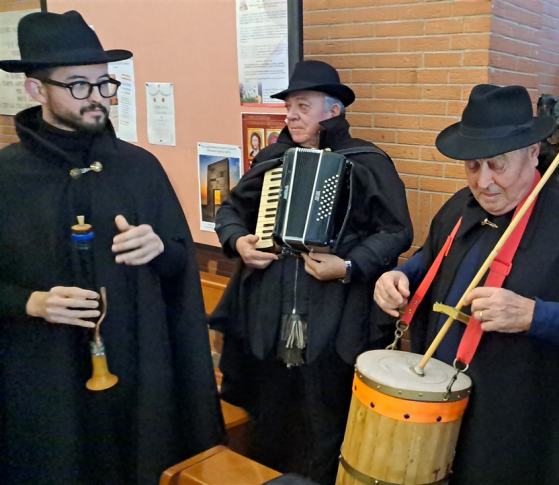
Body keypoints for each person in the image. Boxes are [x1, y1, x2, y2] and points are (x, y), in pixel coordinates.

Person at [0, 11, 222, 484]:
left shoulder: (140, 168)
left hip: (138, 368)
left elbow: (180, 264)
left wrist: (160, 247)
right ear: (37, 89)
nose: (98, 98)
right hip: (45, 376)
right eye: (79, 85)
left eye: (105, 83)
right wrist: (31, 301)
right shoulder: (7, 178)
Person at [374, 84, 559, 483]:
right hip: (439, 404)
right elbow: (433, 254)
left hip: (520, 422)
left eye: (497, 164)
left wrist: (533, 314)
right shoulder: (461, 205)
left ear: (532, 154)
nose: (484, 182)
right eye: (473, 166)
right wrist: (400, 275)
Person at [209, 60, 412, 483]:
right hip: (268, 314)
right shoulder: (273, 158)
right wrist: (238, 241)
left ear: (333, 112)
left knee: (325, 418)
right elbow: (230, 209)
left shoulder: (367, 162)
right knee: (269, 413)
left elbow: (396, 231)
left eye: (303, 105)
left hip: (335, 318)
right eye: (289, 106)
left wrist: (349, 264)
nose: (290, 115)